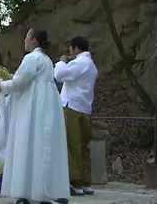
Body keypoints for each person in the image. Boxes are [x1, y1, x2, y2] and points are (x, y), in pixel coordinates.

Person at [0, 29, 70, 204]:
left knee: (28, 144)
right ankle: (44, 191)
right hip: (48, 105)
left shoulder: (31, 58)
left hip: (33, 106)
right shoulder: (47, 60)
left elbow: (20, 82)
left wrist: (0, 85)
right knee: (44, 146)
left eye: (26, 38)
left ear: (34, 40)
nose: (24, 42)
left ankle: (25, 192)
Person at [54, 36, 98, 196]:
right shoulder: (92, 65)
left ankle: (75, 182)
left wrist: (61, 62)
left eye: (71, 49)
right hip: (85, 109)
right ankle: (86, 182)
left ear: (76, 49)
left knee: (72, 146)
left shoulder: (79, 63)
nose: (70, 53)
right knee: (83, 147)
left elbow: (60, 75)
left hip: (72, 107)